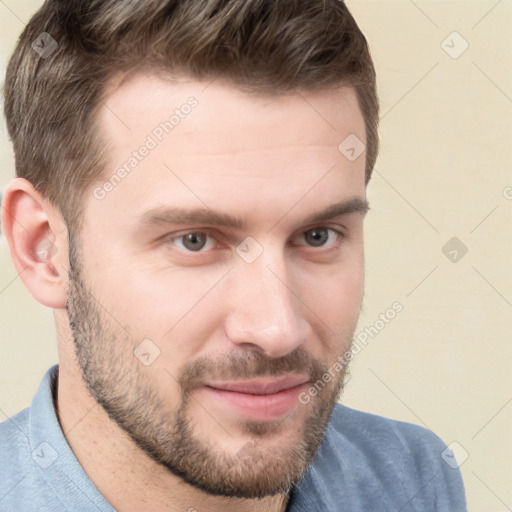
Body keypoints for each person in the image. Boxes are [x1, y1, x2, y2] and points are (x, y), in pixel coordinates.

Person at [0, 1, 467, 511]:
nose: (276, 330)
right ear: (43, 249)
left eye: (318, 236)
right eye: (194, 241)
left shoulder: (410, 480)